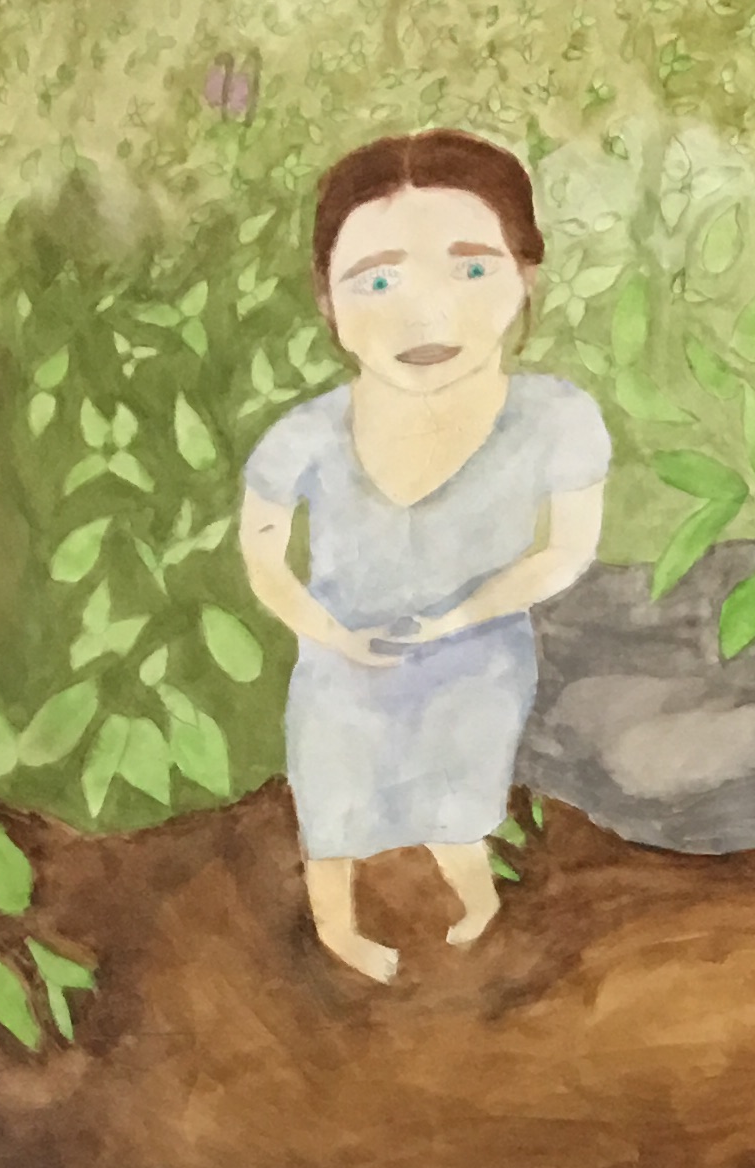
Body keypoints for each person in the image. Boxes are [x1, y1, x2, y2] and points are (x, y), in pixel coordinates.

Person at [239, 128, 609, 988]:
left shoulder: (556, 418)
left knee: (460, 794)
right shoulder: (306, 434)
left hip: (477, 653)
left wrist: (459, 618)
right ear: (328, 300)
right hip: (338, 661)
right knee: (333, 800)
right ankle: (338, 930)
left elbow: (567, 551)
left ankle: (475, 904)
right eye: (377, 280)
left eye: (470, 268)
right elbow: (263, 557)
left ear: (526, 275)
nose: (424, 313)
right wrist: (330, 634)